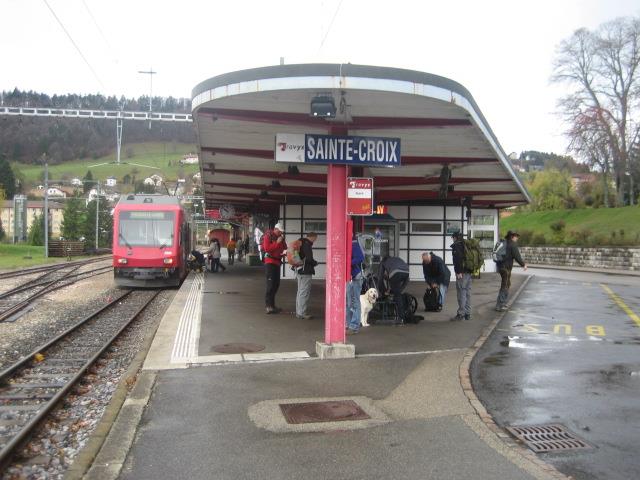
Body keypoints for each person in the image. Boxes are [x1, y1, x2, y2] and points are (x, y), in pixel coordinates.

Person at [495, 230, 528, 311]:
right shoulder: (512, 245)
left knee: (507, 284)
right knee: (505, 285)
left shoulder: (505, 243)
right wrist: (523, 265)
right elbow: (517, 257)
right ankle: (499, 305)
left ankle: (502, 303)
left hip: (501, 267)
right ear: (512, 237)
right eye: (516, 236)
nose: (517, 238)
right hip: (506, 268)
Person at [377, 255, 410, 324]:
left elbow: (380, 279)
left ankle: (401, 318)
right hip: (407, 272)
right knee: (397, 293)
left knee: (397, 296)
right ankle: (404, 313)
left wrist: (383, 292)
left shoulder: (383, 262)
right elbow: (407, 280)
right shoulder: (396, 259)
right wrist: (400, 289)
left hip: (396, 273)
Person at [262, 222, 287, 314]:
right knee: (271, 285)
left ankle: (272, 305)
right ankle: (268, 306)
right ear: (275, 229)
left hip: (277, 262)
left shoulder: (281, 238)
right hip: (270, 263)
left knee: (276, 284)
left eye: (281, 232)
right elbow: (267, 249)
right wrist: (277, 243)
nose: (281, 233)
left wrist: (285, 252)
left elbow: (284, 248)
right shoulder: (268, 236)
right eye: (279, 231)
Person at [295, 232, 318, 319]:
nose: (315, 240)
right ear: (312, 237)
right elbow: (309, 259)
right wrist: (315, 263)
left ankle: (299, 312)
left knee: (300, 292)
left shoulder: (301, 243)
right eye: (315, 238)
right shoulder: (307, 245)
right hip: (305, 271)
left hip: (299, 270)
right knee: (304, 292)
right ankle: (302, 313)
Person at [346, 237, 366, 334]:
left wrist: (347, 263)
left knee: (353, 301)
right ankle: (350, 324)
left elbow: (360, 258)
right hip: (352, 276)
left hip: (355, 276)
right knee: (350, 301)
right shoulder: (352, 244)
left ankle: (353, 326)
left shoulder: (353, 244)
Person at [451, 231, 471, 321]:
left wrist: (458, 272)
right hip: (468, 271)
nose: (452, 239)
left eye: (453, 237)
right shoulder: (465, 244)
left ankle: (461, 314)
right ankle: (467, 313)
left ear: (455, 237)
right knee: (467, 292)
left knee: (461, 292)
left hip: (461, 273)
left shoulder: (457, 245)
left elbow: (458, 259)